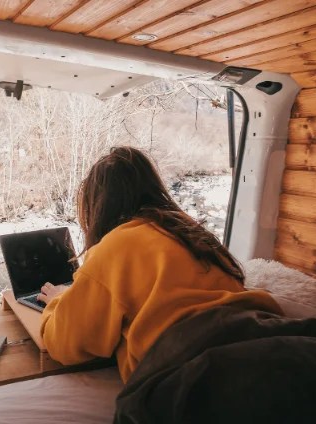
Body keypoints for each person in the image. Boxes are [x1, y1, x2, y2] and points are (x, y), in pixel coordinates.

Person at [37, 146, 282, 383]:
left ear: (97, 207)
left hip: (199, 370)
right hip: (268, 339)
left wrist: (59, 300)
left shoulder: (114, 248)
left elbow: (65, 345)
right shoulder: (191, 232)